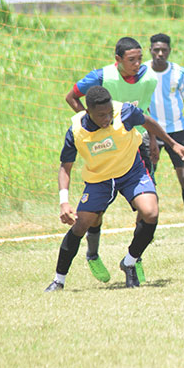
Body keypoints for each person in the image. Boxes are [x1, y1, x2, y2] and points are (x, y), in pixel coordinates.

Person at [45, 86, 184, 291]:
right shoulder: (76, 131)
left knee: (150, 212)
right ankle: (59, 280)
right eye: (101, 115)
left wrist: (173, 144)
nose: (107, 118)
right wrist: (64, 202)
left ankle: (129, 262)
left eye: (109, 113)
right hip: (98, 180)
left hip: (132, 171)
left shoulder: (126, 112)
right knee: (81, 224)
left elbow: (148, 122)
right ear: (88, 111)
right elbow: (65, 168)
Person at [65, 37, 158, 283]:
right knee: (94, 214)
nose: (138, 63)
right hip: (103, 151)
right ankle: (93, 254)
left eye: (140, 58)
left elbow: (145, 113)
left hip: (135, 145)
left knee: (146, 208)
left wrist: (155, 141)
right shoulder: (100, 77)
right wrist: (97, 123)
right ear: (118, 60)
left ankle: (133, 260)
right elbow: (71, 97)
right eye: (131, 59)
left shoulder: (148, 77)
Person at [145, 33, 184, 244]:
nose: (160, 53)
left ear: (169, 50)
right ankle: (146, 233)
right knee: (147, 180)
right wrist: (150, 135)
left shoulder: (179, 73)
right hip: (149, 131)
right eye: (156, 50)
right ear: (150, 50)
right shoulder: (143, 72)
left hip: (177, 131)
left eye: (164, 50)